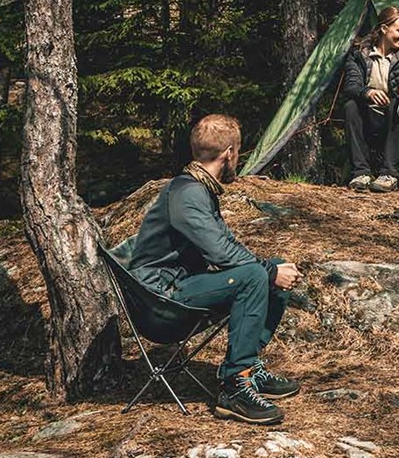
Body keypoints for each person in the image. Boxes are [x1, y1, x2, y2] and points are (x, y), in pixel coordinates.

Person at [127, 113, 303, 425]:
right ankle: (235, 387)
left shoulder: (197, 189)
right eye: (238, 152)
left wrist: (270, 269)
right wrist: (266, 272)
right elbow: (219, 252)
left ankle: (249, 367)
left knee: (269, 267)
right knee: (256, 275)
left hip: (177, 287)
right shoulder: (187, 193)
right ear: (229, 153)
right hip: (160, 302)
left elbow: (226, 245)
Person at [341, 5, 399, 191]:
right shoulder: (359, 55)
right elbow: (351, 86)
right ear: (384, 29)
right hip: (371, 120)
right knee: (351, 106)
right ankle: (361, 173)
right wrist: (368, 93)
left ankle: (390, 174)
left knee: (398, 103)